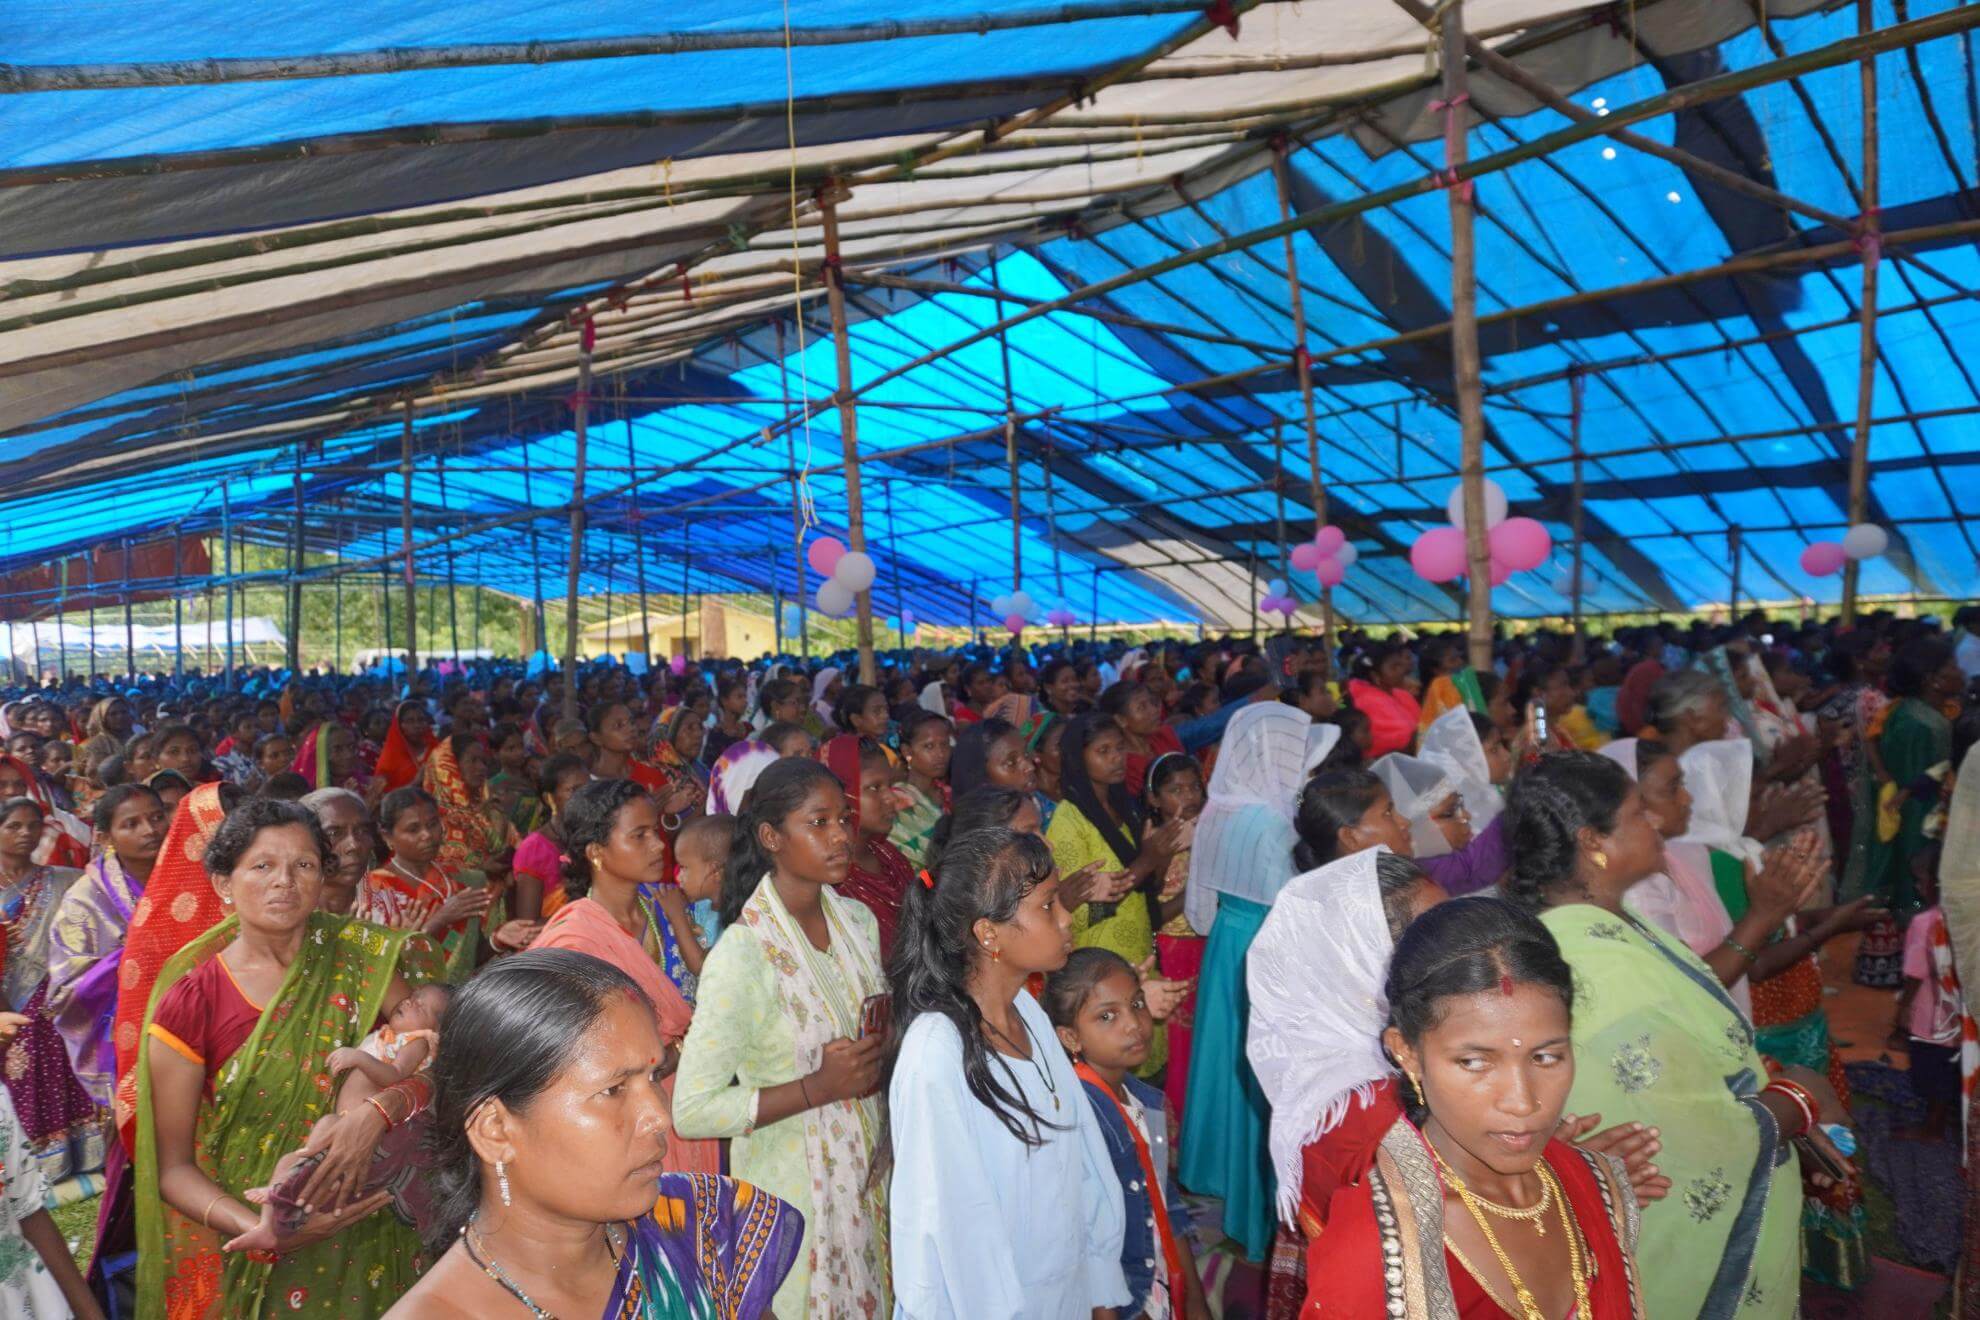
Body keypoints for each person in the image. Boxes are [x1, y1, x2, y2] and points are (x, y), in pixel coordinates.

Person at [1506, 751, 1844, 1319]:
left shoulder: (1607, 926)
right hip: (1669, 1228)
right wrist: (1798, 1101)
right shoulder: (1595, 965)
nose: (1659, 821)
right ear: (1594, 842)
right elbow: (1684, 1134)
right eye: (1640, 812)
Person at [382, 949, 803, 1320]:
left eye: (653, 1076)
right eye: (613, 1090)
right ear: (495, 1130)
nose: (659, 1116)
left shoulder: (700, 1229)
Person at [136, 798, 433, 1318]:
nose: (285, 882)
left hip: (378, 1221)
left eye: (304, 865)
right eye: (263, 865)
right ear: (223, 884)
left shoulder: (365, 959)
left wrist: (376, 1113)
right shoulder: (193, 1002)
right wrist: (263, 1230)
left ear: (323, 877)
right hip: (264, 1238)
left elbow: (435, 1057)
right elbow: (174, 1168)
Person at [1307, 898, 1648, 1319]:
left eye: (1546, 1057)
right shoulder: (1373, 1251)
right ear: (1407, 1053)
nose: (1523, 1102)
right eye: (1474, 1062)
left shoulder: (1594, 1185)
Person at [672, 757, 889, 1317]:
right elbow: (693, 1109)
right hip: (793, 1201)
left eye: (843, 819)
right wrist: (816, 1088)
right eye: (818, 823)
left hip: (868, 1183)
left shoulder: (857, 922)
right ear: (770, 836)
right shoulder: (742, 953)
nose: (840, 835)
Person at [885, 826, 1129, 1318]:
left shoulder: (1030, 1014)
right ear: (987, 932)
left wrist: (1099, 1285)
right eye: (1046, 906)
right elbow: (953, 1231)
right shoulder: (937, 1052)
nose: (1066, 920)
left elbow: (1080, 1156)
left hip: (1061, 1294)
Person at [1179, 704, 1338, 1261]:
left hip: (1227, 941)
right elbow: (1296, 905)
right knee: (1266, 1083)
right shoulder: (1275, 823)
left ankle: (1238, 1209)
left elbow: (1199, 911)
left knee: (1236, 1074)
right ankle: (1262, 1222)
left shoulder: (1219, 810)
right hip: (1269, 947)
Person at [530, 780, 717, 1175]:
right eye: (640, 835)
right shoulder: (575, 938)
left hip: (690, 1101)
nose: (658, 845)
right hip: (620, 1119)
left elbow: (714, 998)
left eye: (656, 831)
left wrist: (681, 1051)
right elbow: (564, 1050)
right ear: (596, 852)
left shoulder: (670, 910)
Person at [1045, 947, 1211, 1320]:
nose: (1133, 1024)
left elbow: (1164, 1203)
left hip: (1157, 1273)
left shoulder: (1140, 1098)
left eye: (1136, 1003)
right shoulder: (1079, 1120)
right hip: (1122, 1297)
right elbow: (1085, 1244)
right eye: (1107, 1016)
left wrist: (1195, 1299)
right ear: (1071, 1038)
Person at [1045, 713, 1183, 1025]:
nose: (1116, 759)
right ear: (1079, 758)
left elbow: (1148, 889)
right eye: (1103, 751)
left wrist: (1158, 859)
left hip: (1139, 951)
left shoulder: (1125, 807)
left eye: (1120, 749)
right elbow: (1078, 911)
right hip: (1099, 962)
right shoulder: (1068, 821)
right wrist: (1147, 860)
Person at [47, 784, 170, 1109]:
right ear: (106, 836)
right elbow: (65, 993)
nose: (150, 830)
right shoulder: (84, 901)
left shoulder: (188, 877)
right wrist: (135, 956)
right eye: (131, 824)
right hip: (126, 1037)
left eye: (157, 817)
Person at [0, 796, 101, 1187]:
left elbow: (88, 937)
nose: (26, 834)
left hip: (60, 999)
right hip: (8, 1003)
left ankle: (78, 1153)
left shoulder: (65, 880)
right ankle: (31, 1164)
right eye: (13, 826)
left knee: (63, 1069)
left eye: (33, 826)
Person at [825, 733, 915, 959]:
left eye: (890, 785)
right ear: (841, 795)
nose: (891, 798)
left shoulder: (890, 856)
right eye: (874, 788)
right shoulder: (832, 881)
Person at [1372, 750, 1508, 896]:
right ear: (1412, 828)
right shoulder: (1418, 877)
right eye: (1449, 813)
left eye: (1461, 804)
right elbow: (1473, 866)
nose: (1466, 816)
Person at [511, 753, 588, 920]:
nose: (584, 797)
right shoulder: (534, 849)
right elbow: (527, 926)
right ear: (549, 798)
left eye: (588, 788)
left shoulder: (595, 836)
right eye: (573, 790)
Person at [301, 787, 379, 918]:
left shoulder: (396, 909)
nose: (353, 845)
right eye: (334, 833)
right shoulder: (286, 914)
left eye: (363, 831)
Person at [890, 708, 952, 868]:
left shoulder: (948, 793)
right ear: (907, 751)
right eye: (929, 746)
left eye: (945, 744)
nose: (940, 753)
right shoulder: (897, 802)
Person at [1345, 643, 1420, 759]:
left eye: (1401, 665)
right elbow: (1396, 743)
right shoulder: (1366, 701)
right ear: (1375, 676)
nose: (1402, 670)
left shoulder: (1402, 694)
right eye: (1394, 667)